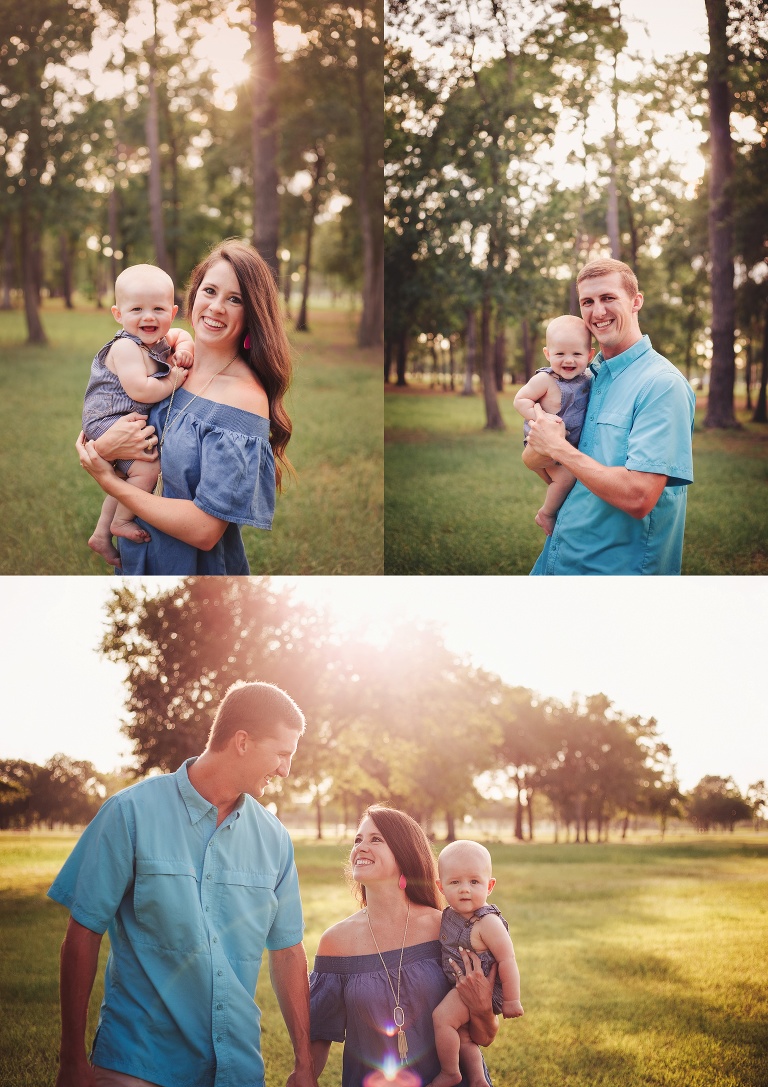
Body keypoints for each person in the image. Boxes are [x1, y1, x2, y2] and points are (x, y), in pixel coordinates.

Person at [47, 681, 318, 1087]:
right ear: (242, 742)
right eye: (282, 754)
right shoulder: (130, 813)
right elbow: (83, 934)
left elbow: (288, 953)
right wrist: (71, 1060)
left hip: (237, 1069)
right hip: (138, 1062)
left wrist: (304, 1064)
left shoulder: (274, 839)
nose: (285, 770)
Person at [76, 240, 294, 575]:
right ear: (192, 297)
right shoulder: (168, 363)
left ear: (252, 314)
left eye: (234, 299)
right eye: (210, 291)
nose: (216, 307)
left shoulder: (244, 399)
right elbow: (111, 431)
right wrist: (103, 449)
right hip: (138, 557)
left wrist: (110, 482)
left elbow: (205, 532)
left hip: (194, 572)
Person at [525, 258, 696, 575]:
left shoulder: (662, 386)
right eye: (587, 302)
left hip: (617, 575)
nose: (597, 312)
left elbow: (639, 497)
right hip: (559, 558)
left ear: (636, 301)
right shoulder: (587, 378)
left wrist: (558, 448)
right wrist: (541, 446)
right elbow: (534, 458)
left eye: (608, 298)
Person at [309, 806, 499, 1087]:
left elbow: (484, 1036)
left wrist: (483, 1007)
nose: (361, 847)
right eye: (357, 840)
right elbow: (319, 1032)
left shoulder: (446, 930)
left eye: (376, 839)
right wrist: (304, 1074)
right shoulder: (335, 942)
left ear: (404, 854)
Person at [83, 264, 195, 567]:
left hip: (121, 417)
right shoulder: (125, 348)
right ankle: (120, 522)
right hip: (108, 418)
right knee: (147, 469)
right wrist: (173, 380)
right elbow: (141, 391)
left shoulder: (158, 338)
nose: (148, 317)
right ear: (118, 314)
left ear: (171, 313)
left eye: (158, 309)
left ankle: (101, 534)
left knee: (125, 477)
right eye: (137, 309)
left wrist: (184, 347)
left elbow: (182, 334)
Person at [429, 841, 523, 1087]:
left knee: (442, 1019)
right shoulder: (449, 915)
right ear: (440, 887)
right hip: (462, 986)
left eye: (474, 882)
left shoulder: (488, 922)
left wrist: (512, 1001)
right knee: (464, 1036)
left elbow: (507, 960)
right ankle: (478, 1079)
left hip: (481, 988)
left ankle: (450, 1072)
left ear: (489, 885)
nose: (464, 890)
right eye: (454, 882)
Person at [513, 314, 594, 536]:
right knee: (566, 478)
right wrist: (539, 417)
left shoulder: (588, 378)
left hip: (568, 444)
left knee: (564, 478)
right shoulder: (545, 380)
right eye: (560, 354)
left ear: (590, 355)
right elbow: (520, 400)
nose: (568, 360)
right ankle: (547, 513)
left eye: (577, 354)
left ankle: (554, 491)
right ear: (548, 354)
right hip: (543, 441)